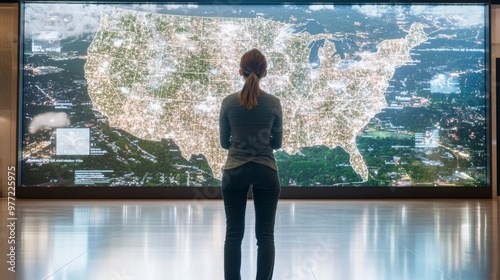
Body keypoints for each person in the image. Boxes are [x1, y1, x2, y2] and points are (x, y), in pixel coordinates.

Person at [219, 48, 283, 280]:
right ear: (265, 72)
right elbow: (277, 143)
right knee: (265, 237)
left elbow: (223, 143)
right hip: (266, 170)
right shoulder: (274, 103)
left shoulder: (228, 103)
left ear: (240, 72)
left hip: (234, 170)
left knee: (233, 236)